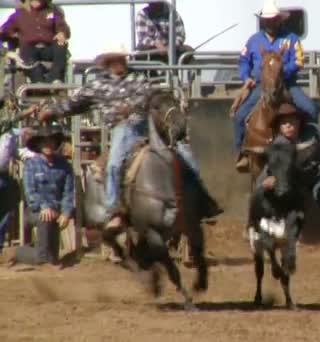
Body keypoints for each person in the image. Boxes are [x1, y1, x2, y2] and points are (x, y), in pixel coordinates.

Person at [37, 43, 222, 231]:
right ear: (108, 63)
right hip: (122, 128)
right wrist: (51, 111)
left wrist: (138, 107)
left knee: (185, 152)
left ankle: (202, 200)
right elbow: (73, 104)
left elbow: (150, 97)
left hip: (148, 123)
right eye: (115, 60)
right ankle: (113, 210)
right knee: (114, 163)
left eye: (121, 59)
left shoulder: (138, 77)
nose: (120, 63)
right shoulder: (97, 85)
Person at [234, 0, 320, 170]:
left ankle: (310, 147)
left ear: (279, 19)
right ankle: (242, 153)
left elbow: (299, 61)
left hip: (287, 84)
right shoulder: (253, 40)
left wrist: (280, 73)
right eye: (267, 19)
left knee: (311, 109)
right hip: (261, 85)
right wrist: (246, 77)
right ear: (263, 21)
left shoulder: (291, 38)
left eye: (273, 19)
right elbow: (243, 61)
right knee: (239, 116)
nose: (270, 22)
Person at [5, 124, 73, 266]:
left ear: (55, 143)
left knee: (53, 258)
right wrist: (44, 206)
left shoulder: (64, 165)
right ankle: (30, 255)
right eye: (44, 141)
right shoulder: (31, 164)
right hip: (35, 211)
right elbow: (30, 193)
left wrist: (66, 213)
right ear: (39, 144)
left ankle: (28, 252)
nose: (48, 144)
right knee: (45, 219)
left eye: (51, 141)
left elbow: (68, 192)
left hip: (57, 212)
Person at [0, 0, 70, 83]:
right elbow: (4, 31)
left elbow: (63, 28)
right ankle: (39, 83)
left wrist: (62, 33)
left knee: (61, 44)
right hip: (29, 49)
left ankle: (55, 79)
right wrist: (11, 37)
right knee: (27, 55)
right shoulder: (18, 15)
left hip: (48, 48)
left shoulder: (53, 11)